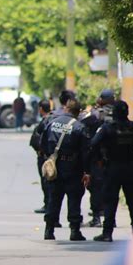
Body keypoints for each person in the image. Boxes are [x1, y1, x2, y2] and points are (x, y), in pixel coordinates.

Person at [90, 100, 133, 242]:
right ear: (127, 112)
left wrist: (99, 160)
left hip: (113, 168)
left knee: (110, 200)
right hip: (130, 167)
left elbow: (93, 144)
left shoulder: (107, 128)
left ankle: (107, 233)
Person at [40, 99, 90, 241]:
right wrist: (87, 171)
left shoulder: (52, 122)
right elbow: (86, 152)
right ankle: (74, 231)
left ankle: (49, 230)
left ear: (66, 108)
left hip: (55, 167)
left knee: (53, 198)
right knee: (74, 199)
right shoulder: (79, 127)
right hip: (73, 168)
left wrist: (49, 158)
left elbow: (42, 143)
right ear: (78, 112)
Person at [79, 89, 115, 227]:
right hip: (116, 158)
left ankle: (96, 217)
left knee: (95, 187)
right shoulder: (120, 112)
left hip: (99, 157)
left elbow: (82, 122)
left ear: (102, 99)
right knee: (112, 188)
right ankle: (110, 218)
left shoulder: (96, 114)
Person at [29, 99, 52, 214]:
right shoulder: (52, 119)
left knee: (46, 181)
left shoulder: (45, 122)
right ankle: (48, 204)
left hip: (44, 156)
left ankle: (48, 205)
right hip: (49, 155)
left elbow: (38, 139)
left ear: (41, 109)